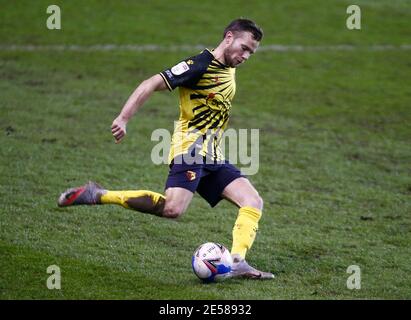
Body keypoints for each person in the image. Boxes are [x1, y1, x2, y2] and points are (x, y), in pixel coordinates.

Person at [58, 18, 274, 280]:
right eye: (243, 48)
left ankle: (238, 261)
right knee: (172, 209)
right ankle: (98, 194)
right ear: (228, 37)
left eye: (251, 52)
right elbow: (151, 83)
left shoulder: (227, 65)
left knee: (252, 201)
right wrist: (123, 118)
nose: (246, 56)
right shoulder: (199, 66)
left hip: (212, 153)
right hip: (191, 150)